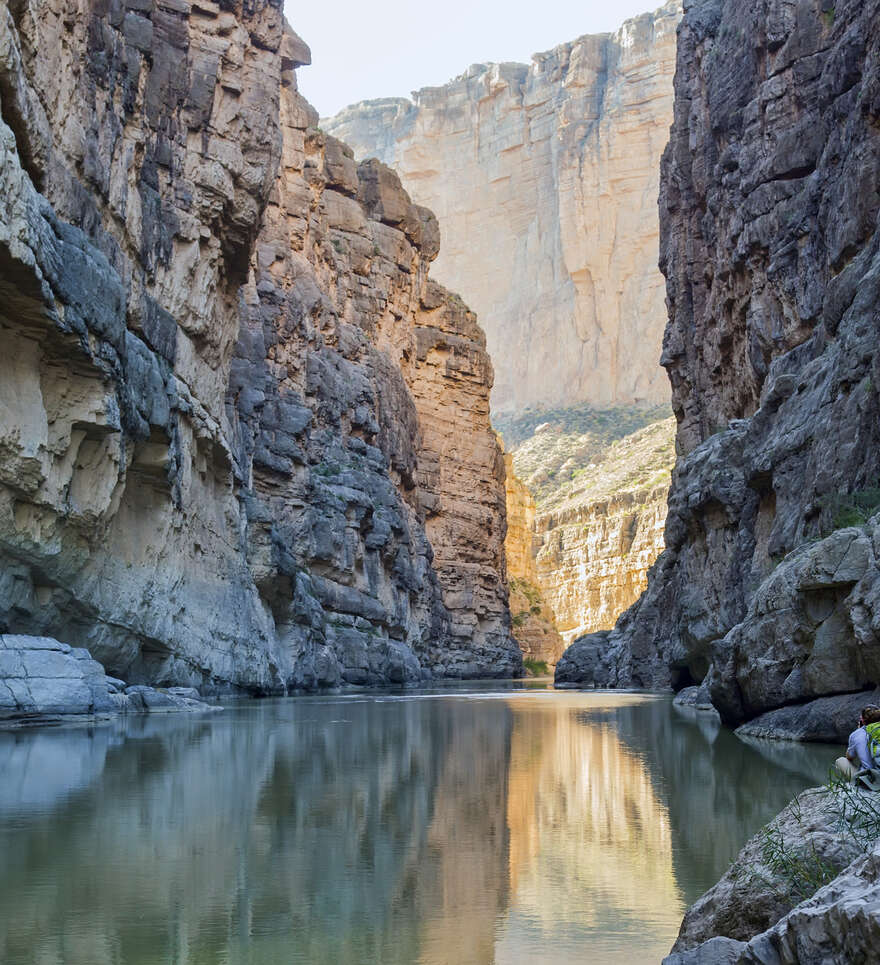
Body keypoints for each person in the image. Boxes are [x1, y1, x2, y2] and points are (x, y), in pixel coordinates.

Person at [835, 704, 880, 790]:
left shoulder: (857, 734)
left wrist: (859, 730)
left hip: (870, 781)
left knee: (840, 761)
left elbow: (849, 757)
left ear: (862, 720)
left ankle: (853, 787)